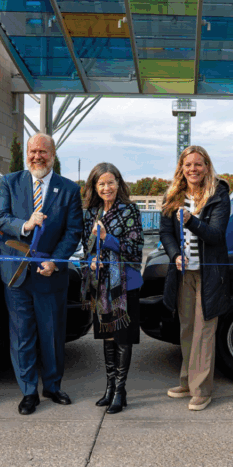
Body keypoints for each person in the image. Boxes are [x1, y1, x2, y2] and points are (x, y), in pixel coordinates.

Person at [0, 133, 84, 415]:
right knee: (22, 335)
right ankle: (29, 391)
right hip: (17, 274)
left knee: (52, 333)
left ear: (53, 155)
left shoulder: (68, 189)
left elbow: (73, 231)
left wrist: (56, 261)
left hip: (50, 274)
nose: (36, 157)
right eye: (32, 152)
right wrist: (25, 224)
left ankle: (53, 386)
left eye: (42, 152)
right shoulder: (10, 182)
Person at [159, 146, 231, 412]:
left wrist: (190, 221)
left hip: (209, 274)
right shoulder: (172, 195)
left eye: (198, 164)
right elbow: (165, 232)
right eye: (188, 165)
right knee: (187, 328)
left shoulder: (218, 195)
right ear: (181, 168)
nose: (193, 169)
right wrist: (175, 254)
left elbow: (216, 235)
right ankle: (188, 382)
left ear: (206, 166)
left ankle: (202, 390)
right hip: (182, 274)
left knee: (205, 330)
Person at [81, 163, 144, 414]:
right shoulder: (90, 213)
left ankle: (120, 390)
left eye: (110, 182)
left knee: (123, 337)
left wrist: (108, 239)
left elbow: (136, 248)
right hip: (101, 284)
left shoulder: (130, 210)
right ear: (94, 187)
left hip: (126, 283)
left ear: (119, 183)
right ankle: (109, 388)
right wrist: (91, 260)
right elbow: (85, 248)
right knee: (107, 336)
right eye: (101, 183)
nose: (106, 188)